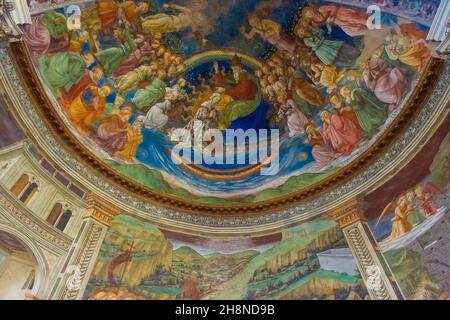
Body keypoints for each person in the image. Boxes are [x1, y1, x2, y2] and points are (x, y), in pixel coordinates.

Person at [141, 1, 208, 34]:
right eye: (198, 17)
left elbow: (195, 32)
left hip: (172, 26)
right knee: (157, 18)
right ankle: (143, 23)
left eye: (199, 20)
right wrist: (167, 6)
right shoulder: (189, 12)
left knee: (157, 27)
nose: (198, 20)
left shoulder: (192, 23)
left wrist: (202, 40)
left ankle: (143, 27)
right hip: (171, 20)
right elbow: (177, 7)